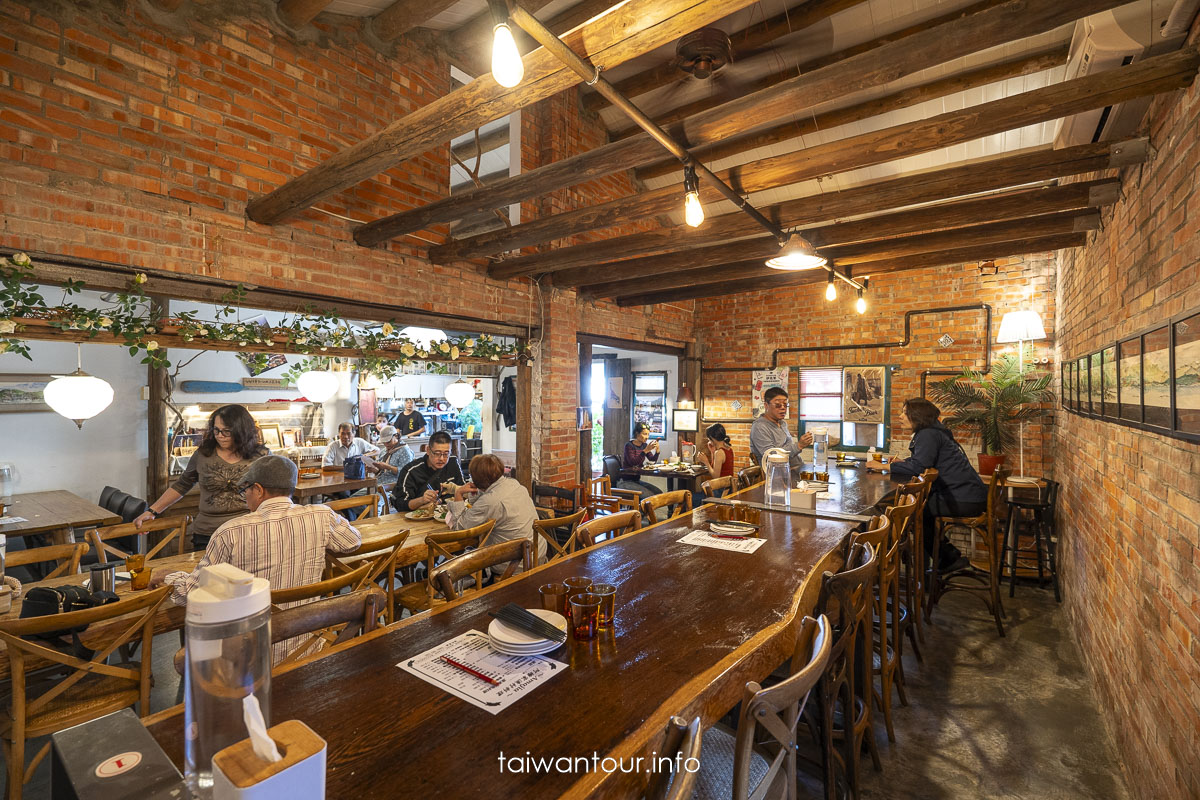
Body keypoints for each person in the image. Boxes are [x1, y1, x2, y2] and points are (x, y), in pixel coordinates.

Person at [151, 455, 361, 662]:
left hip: (248, 662)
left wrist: (168, 577)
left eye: (245, 490)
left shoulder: (231, 531)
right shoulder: (321, 515)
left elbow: (193, 593)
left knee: (184, 658)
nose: (245, 497)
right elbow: (352, 542)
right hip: (308, 648)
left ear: (259, 490)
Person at [873, 397, 985, 573]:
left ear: (917, 416)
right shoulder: (933, 432)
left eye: (905, 412)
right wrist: (902, 462)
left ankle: (942, 560)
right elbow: (923, 461)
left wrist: (884, 466)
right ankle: (941, 560)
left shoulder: (927, 434)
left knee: (913, 511)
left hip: (963, 499)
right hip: (969, 495)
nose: (900, 416)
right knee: (917, 510)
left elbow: (919, 466)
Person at [136, 404, 268, 549]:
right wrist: (152, 511)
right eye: (216, 430)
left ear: (241, 430)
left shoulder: (261, 456)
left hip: (247, 531)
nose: (220, 436)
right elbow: (182, 485)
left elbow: (272, 492)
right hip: (207, 533)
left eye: (226, 431)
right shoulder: (203, 454)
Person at [447, 453, 543, 571]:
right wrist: (476, 490)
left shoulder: (489, 502)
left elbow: (459, 530)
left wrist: (458, 494)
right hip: (539, 554)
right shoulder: (514, 483)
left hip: (516, 564)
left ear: (476, 480)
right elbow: (485, 498)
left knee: (464, 560)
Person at [393, 430, 465, 511]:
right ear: (428, 450)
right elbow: (400, 504)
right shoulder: (411, 470)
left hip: (449, 516)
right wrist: (422, 500)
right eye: (437, 453)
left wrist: (441, 500)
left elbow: (463, 491)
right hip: (417, 519)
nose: (441, 458)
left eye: (446, 454)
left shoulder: (452, 462)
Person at [749, 387, 813, 467]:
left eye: (785, 405)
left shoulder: (782, 423)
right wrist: (799, 445)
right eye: (778, 405)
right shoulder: (759, 427)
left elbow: (788, 446)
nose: (783, 408)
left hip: (796, 468)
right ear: (766, 405)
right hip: (778, 473)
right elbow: (772, 456)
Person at [618, 422, 662, 498]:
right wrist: (645, 451)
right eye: (644, 434)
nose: (647, 437)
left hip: (636, 481)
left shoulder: (644, 445)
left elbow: (652, 460)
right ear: (637, 433)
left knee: (659, 493)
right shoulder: (629, 446)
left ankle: (645, 510)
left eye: (648, 434)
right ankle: (641, 510)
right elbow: (633, 462)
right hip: (625, 481)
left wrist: (657, 451)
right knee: (649, 496)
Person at [373, 425, 414, 496]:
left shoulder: (404, 451)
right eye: (384, 442)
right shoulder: (384, 451)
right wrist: (374, 469)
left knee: (372, 501)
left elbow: (405, 474)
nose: (386, 444)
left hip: (392, 487)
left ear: (396, 436)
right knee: (355, 498)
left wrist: (388, 467)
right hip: (378, 483)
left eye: (388, 442)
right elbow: (381, 472)